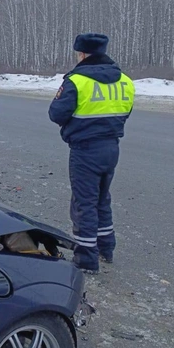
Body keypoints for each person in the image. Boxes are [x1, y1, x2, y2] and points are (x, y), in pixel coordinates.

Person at [48, 33, 135, 275]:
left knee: (84, 203)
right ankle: (106, 248)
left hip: (85, 149)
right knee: (101, 199)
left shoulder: (76, 80)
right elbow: (126, 112)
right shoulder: (125, 81)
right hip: (111, 147)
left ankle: (86, 258)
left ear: (83, 53)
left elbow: (56, 114)